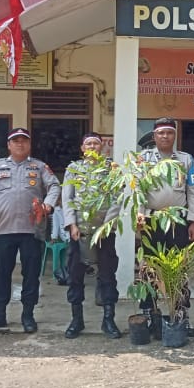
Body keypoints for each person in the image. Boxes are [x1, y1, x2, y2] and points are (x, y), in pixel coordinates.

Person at [0, 127, 60, 333]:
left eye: (24, 141)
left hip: (32, 230)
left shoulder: (39, 167)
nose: (19, 144)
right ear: (9, 145)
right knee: (1, 274)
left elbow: (55, 186)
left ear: (29, 144)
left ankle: (28, 315)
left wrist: (48, 205)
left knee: (30, 275)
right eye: (15, 141)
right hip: (5, 230)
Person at [137, 117, 194, 335]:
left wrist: (193, 220)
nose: (165, 136)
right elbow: (138, 190)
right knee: (149, 268)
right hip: (151, 221)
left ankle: (181, 316)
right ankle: (150, 316)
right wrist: (139, 214)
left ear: (175, 135)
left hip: (178, 222)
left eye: (169, 133)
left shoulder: (185, 159)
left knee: (180, 269)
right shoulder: (143, 159)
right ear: (154, 136)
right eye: (161, 133)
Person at [60, 133, 122, 339]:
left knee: (107, 275)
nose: (92, 146)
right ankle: (76, 320)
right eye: (88, 143)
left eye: (96, 143)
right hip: (79, 232)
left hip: (104, 232)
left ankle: (108, 320)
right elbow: (67, 198)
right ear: (82, 147)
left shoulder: (111, 169)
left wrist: (107, 225)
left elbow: (117, 198)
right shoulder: (73, 169)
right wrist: (71, 225)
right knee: (75, 276)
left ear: (102, 146)